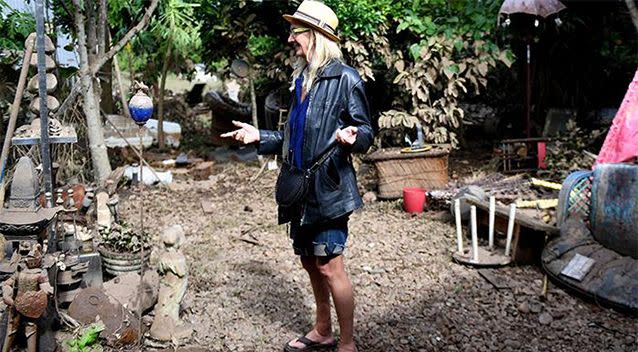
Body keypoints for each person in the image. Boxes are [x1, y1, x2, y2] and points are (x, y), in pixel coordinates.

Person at [221, 1, 373, 351]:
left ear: (317, 36)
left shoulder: (345, 79)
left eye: (297, 31)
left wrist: (354, 137)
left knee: (330, 266)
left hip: (329, 189)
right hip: (299, 187)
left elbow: (365, 131)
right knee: (309, 261)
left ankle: (347, 343)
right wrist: (260, 136)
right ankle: (323, 330)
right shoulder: (302, 80)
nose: (291, 39)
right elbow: (295, 139)